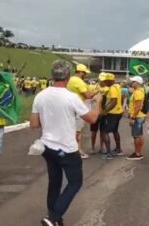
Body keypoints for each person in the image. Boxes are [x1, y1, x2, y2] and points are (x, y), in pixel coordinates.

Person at [30, 60, 101, 226]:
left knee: (54, 182)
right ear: (68, 77)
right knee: (75, 182)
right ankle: (52, 218)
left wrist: (49, 118)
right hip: (67, 148)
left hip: (47, 146)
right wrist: (97, 103)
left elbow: (34, 124)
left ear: (52, 76)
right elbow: (91, 118)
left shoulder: (40, 95)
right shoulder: (71, 98)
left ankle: (55, 218)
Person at [66, 64, 97, 159]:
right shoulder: (79, 82)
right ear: (80, 72)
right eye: (84, 73)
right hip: (77, 108)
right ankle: (77, 151)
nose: (85, 75)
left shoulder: (70, 79)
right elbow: (88, 95)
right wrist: (96, 92)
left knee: (70, 130)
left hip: (68, 107)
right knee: (78, 131)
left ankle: (70, 149)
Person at [100, 73, 124, 159]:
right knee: (115, 130)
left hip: (112, 113)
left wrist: (105, 111)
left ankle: (108, 153)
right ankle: (118, 149)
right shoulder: (117, 87)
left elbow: (113, 101)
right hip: (119, 112)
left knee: (104, 131)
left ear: (110, 80)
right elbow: (119, 99)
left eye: (106, 81)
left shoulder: (112, 89)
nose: (105, 82)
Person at [126, 76, 146, 160]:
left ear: (137, 83)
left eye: (133, 81)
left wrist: (133, 117)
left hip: (137, 116)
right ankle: (139, 152)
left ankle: (137, 153)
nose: (131, 83)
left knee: (136, 135)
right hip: (139, 116)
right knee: (139, 135)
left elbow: (138, 106)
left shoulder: (138, 92)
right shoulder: (139, 91)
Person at [89, 73, 108, 155]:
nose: (102, 81)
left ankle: (101, 147)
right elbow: (90, 98)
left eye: (104, 80)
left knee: (102, 131)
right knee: (93, 131)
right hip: (95, 112)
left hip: (104, 113)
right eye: (101, 80)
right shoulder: (94, 87)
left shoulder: (108, 89)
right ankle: (92, 147)